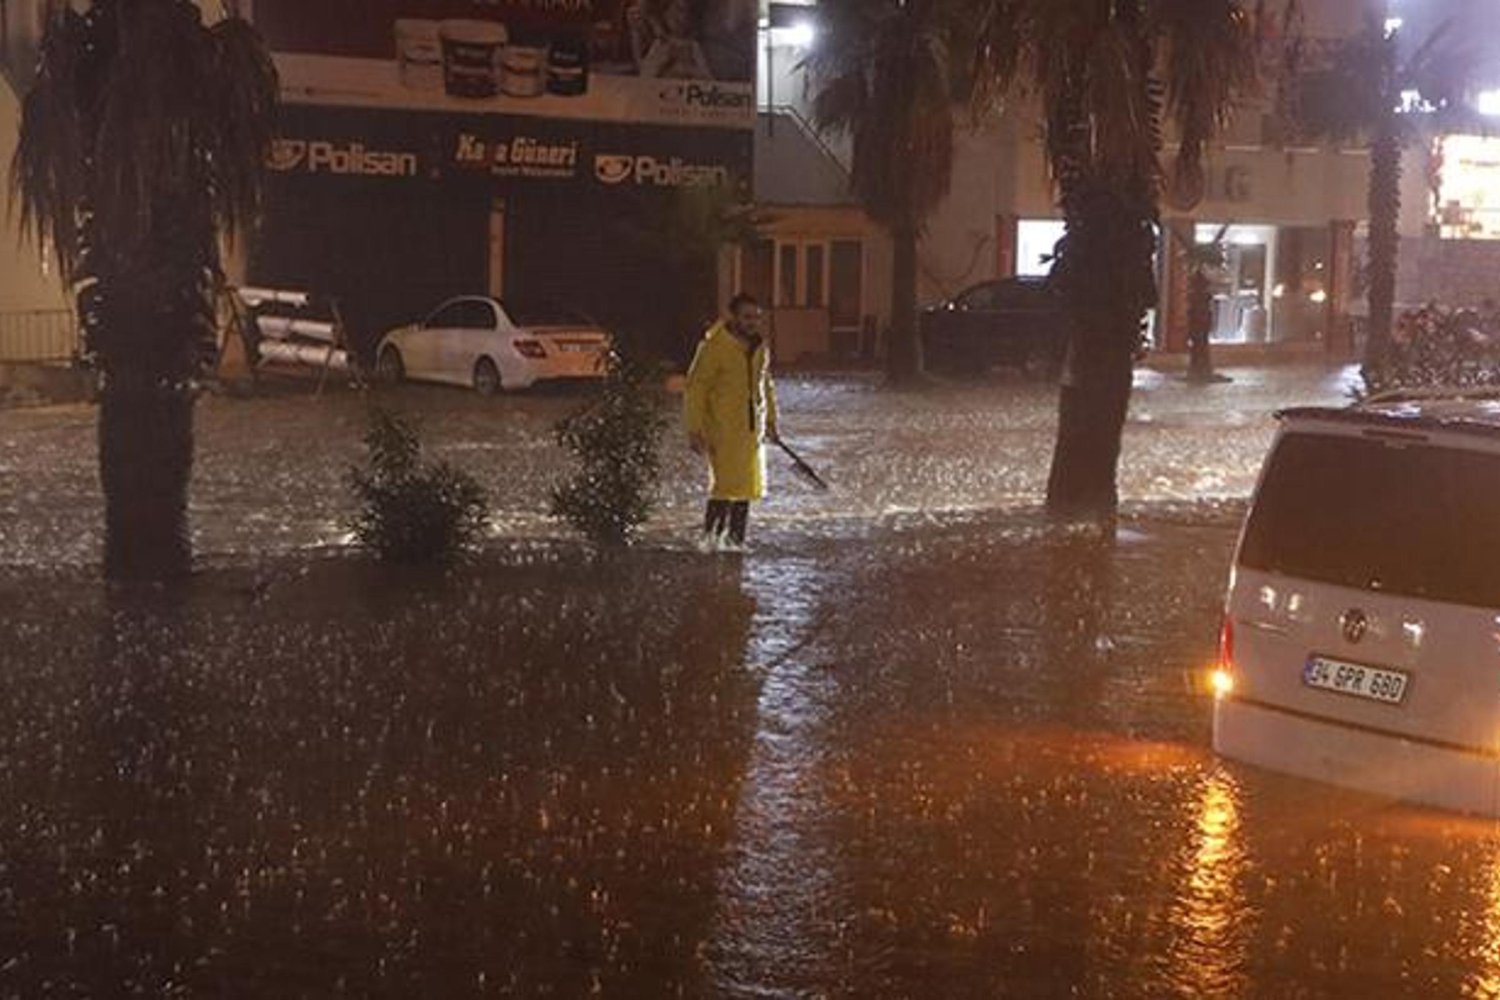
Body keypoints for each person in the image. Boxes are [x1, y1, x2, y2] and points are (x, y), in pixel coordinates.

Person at [684, 293, 778, 551]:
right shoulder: (715, 347)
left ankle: (736, 543)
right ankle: (710, 542)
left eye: (757, 318)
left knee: (745, 487)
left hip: (751, 431)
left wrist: (770, 420)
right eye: (747, 317)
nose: (752, 323)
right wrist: (695, 429)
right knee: (724, 488)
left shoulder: (759, 347)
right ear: (734, 317)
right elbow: (696, 389)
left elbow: (765, 384)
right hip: (722, 429)